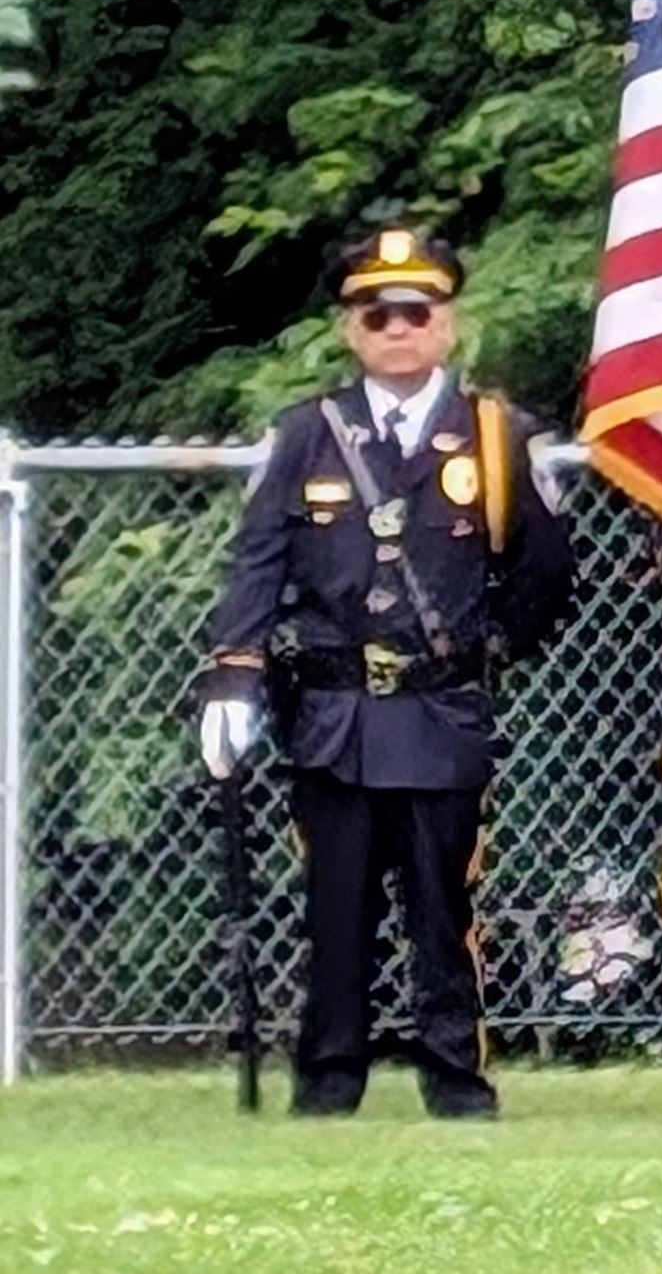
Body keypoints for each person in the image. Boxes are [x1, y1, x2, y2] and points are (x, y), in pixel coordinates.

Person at [196, 225, 572, 1118]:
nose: (398, 327)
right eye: (378, 312)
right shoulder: (305, 436)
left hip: (440, 715)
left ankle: (456, 1080)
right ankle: (330, 1083)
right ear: (351, 329)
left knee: (445, 908)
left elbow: (545, 572)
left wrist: (484, 651)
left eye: (417, 310)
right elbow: (257, 563)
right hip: (333, 714)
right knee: (337, 914)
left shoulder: (493, 435)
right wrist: (233, 677)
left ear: (447, 323)